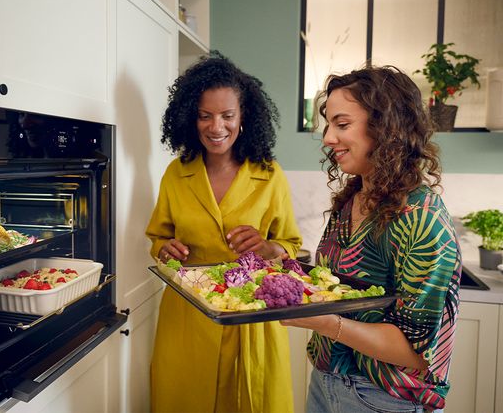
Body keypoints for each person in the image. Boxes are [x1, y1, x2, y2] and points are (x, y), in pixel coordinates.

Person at [281, 65, 461, 412]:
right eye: (329, 124)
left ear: (386, 128)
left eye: (342, 124)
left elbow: (415, 351)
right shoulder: (353, 199)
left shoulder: (422, 219)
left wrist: (325, 323)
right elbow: (337, 287)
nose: (328, 138)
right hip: (326, 380)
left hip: (385, 399)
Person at [146, 52, 302, 413]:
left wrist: (268, 247)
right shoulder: (176, 173)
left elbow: (291, 245)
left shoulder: (269, 174)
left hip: (251, 316)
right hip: (188, 315)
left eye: (227, 115)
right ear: (191, 118)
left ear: (243, 116)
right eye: (205, 115)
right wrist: (164, 249)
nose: (216, 127)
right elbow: (158, 237)